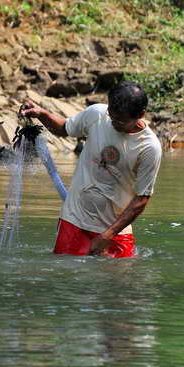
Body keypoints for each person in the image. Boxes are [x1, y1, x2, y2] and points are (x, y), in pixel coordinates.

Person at [18, 81, 162, 257]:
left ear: (141, 114)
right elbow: (65, 128)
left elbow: (141, 198)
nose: (114, 123)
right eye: (112, 116)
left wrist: (107, 235)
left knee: (121, 280)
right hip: (74, 219)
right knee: (65, 275)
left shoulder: (149, 147)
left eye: (121, 121)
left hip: (114, 230)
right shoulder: (98, 115)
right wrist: (42, 114)